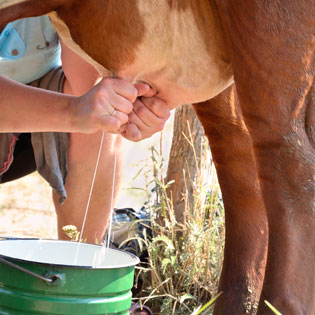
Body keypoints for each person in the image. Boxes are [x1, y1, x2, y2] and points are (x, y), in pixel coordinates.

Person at [0, 15, 171, 243]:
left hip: (31, 111)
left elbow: (88, 82)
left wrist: (130, 107)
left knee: (103, 114)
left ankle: (79, 261)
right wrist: (75, 111)